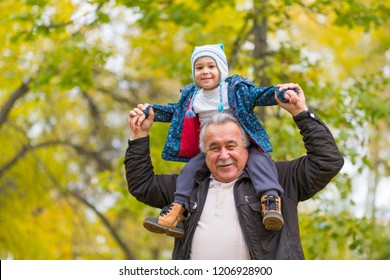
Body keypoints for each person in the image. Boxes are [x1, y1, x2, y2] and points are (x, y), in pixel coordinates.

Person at [124, 84, 344, 259]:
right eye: (214, 148)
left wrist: (301, 114)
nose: (223, 155)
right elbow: (142, 186)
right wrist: (139, 136)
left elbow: (327, 161)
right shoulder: (188, 185)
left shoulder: (280, 180)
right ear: (203, 152)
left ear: (246, 146)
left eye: (231, 146)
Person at [130, 44, 300, 238]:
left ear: (221, 69)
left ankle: (270, 201)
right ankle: (178, 210)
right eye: (199, 68)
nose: (205, 72)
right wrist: (148, 111)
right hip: (211, 148)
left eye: (211, 66)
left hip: (240, 145)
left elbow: (260, 95)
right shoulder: (192, 98)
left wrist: (280, 93)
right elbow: (172, 112)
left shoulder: (234, 90)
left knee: (260, 162)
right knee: (189, 170)